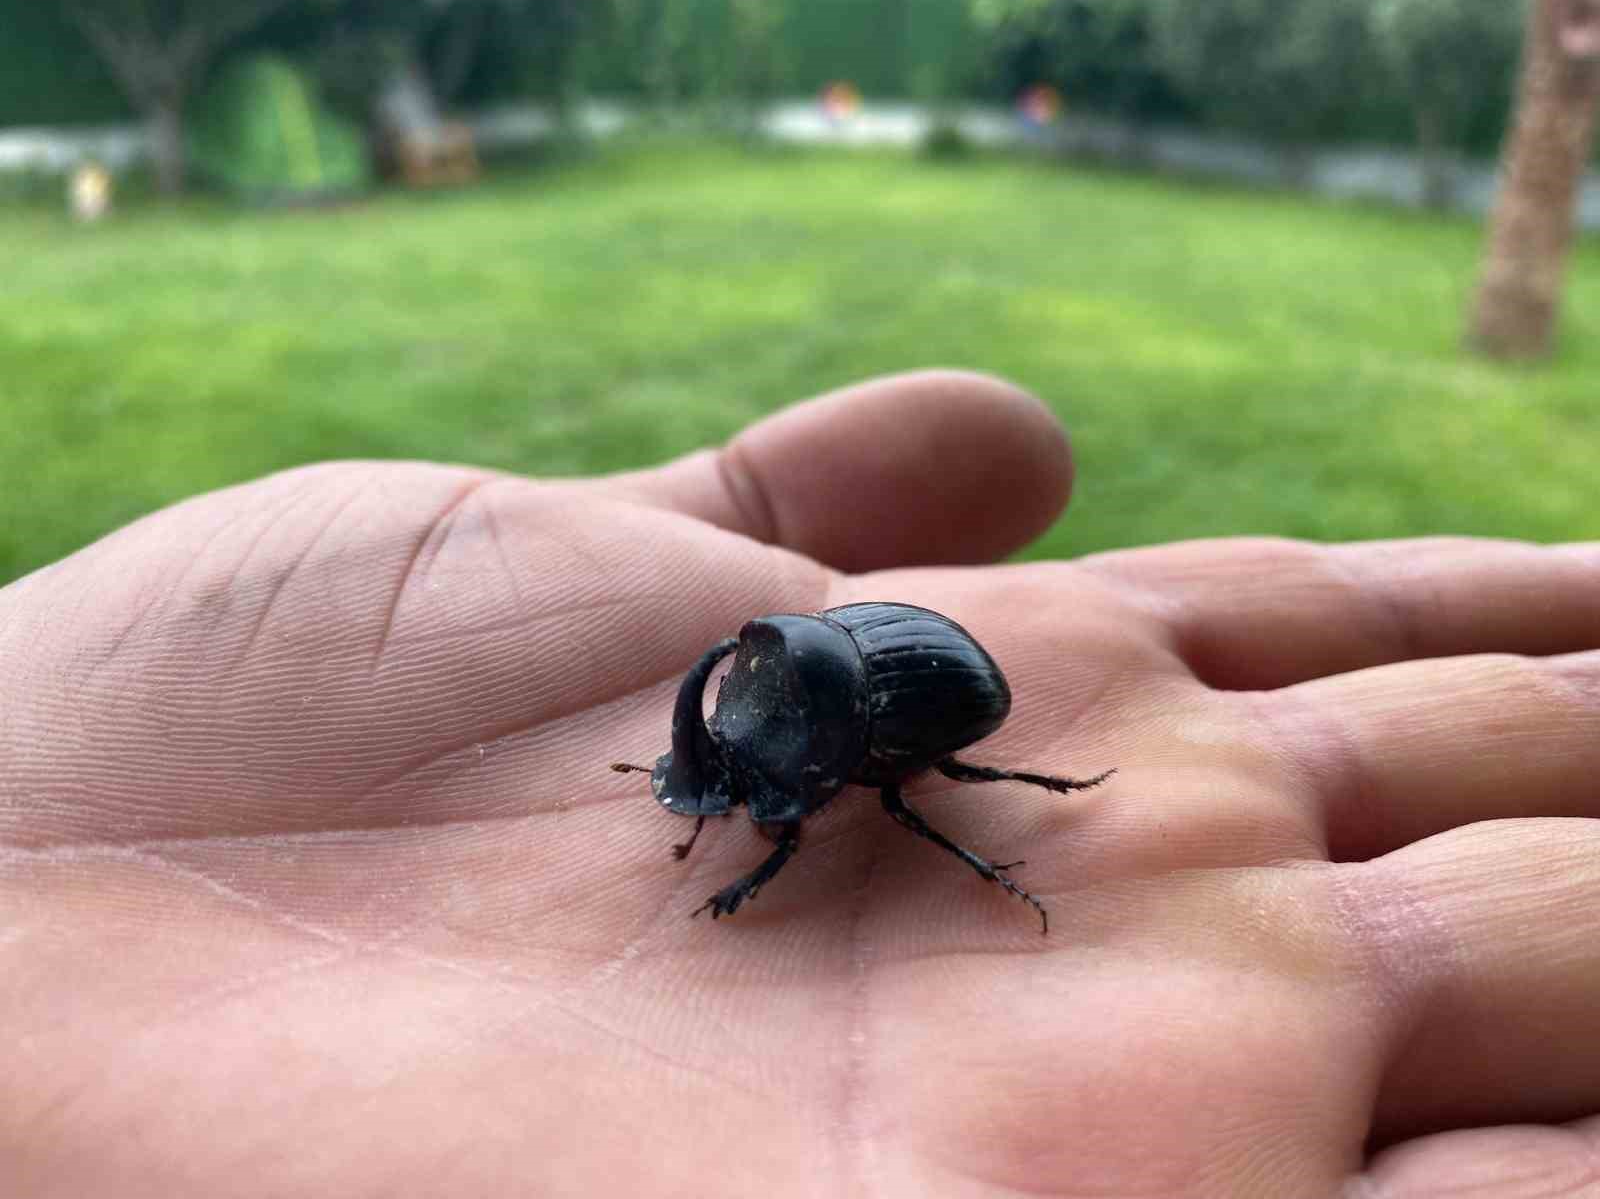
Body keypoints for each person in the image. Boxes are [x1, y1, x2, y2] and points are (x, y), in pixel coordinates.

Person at [1, 371, 1595, 1197]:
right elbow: (752, 725)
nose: (701, 775)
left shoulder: (859, 746)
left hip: (933, 684)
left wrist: (804, 851)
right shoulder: (758, 687)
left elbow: (888, 773)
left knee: (916, 807)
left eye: (715, 762)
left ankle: (981, 845)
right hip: (861, 670)